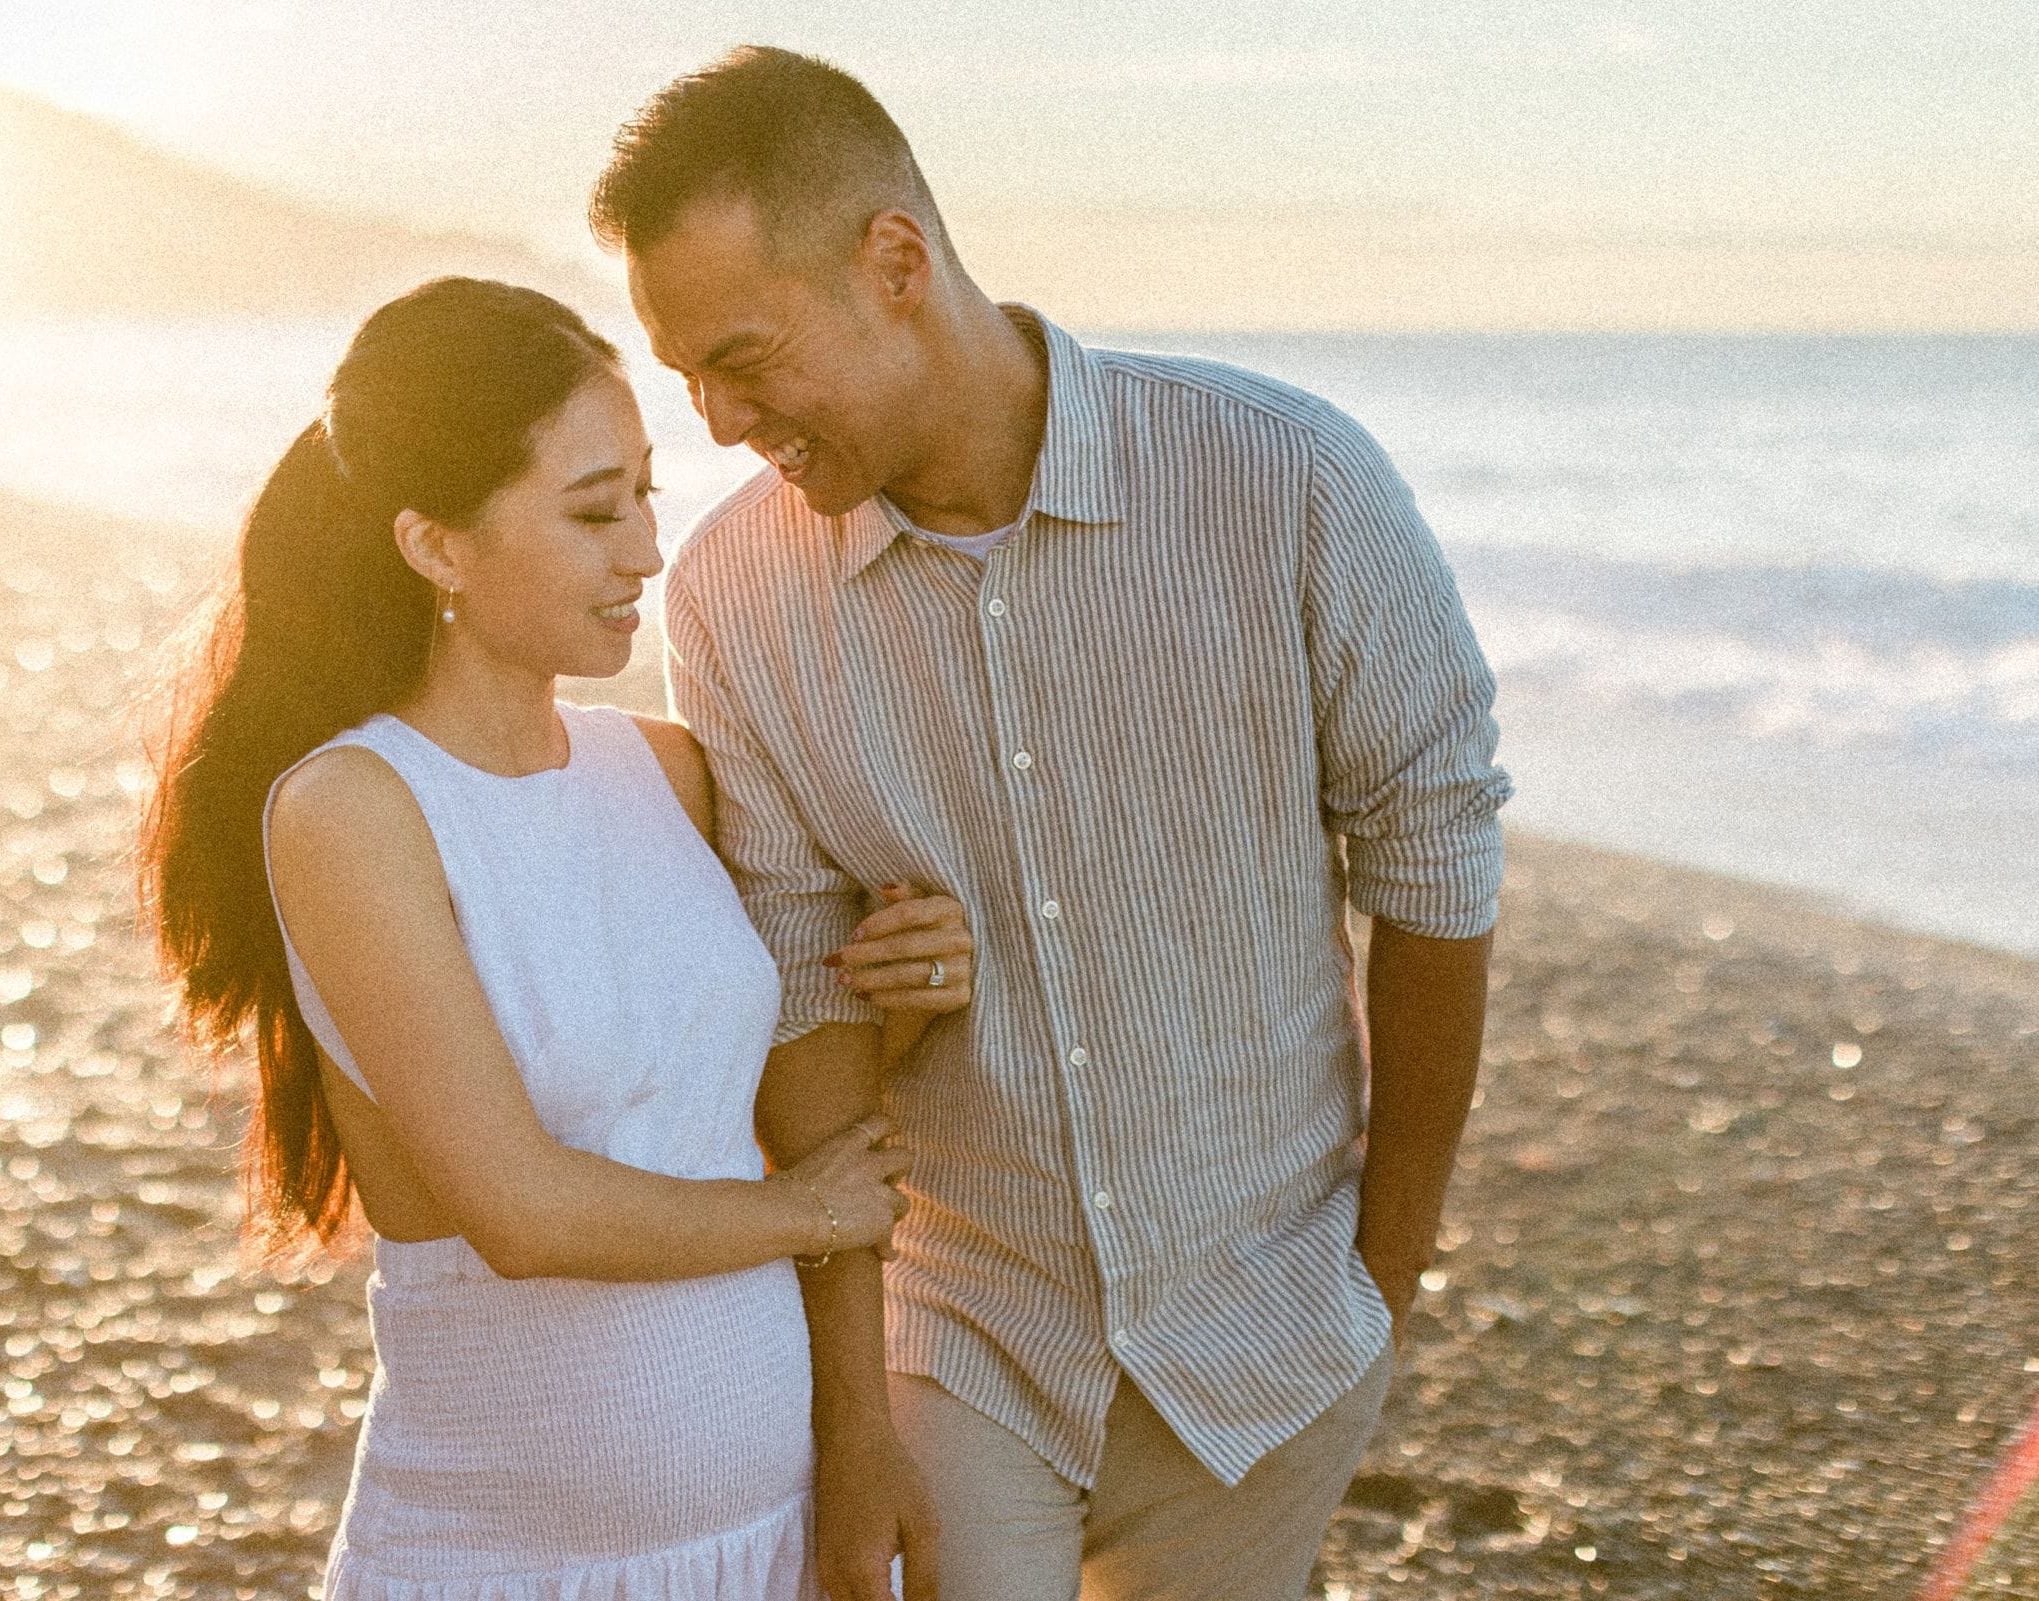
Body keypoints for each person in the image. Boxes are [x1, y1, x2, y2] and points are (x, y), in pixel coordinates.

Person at [589, 47, 1513, 1601]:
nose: (721, 417)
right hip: (962, 1333)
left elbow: (1436, 863)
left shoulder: (1286, 480)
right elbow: (802, 990)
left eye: (744, 357)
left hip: (1275, 1331)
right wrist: (846, 1416)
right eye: (688, 377)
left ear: (895, 263)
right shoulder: (733, 597)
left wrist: (1386, 1277)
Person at [138, 276, 979, 1600]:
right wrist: (799, 1211)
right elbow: (521, 1207)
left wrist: (911, 991)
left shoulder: (670, 771)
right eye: (595, 510)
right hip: (515, 1562)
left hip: (772, 1534)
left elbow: (769, 1096)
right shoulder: (355, 808)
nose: (646, 550)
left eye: (647, 494)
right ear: (437, 545)